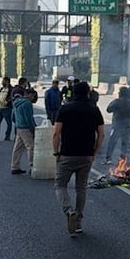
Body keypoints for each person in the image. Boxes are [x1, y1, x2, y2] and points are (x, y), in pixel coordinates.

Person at [52, 81, 104, 236]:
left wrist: (56, 153)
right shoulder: (94, 110)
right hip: (86, 154)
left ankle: (69, 211)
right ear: (88, 93)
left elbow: (56, 133)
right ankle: (78, 222)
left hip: (67, 154)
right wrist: (94, 152)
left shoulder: (65, 109)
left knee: (60, 185)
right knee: (81, 188)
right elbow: (101, 134)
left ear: (73, 93)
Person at [104, 86, 130, 163]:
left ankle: (108, 158)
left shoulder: (117, 101)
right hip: (127, 125)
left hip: (117, 125)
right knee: (125, 143)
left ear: (120, 93)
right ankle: (123, 159)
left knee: (112, 142)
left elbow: (108, 109)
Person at [9, 88, 38, 174]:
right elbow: (29, 118)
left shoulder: (17, 103)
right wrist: (33, 129)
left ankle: (15, 166)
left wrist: (17, 123)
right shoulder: (27, 104)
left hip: (19, 127)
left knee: (17, 148)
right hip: (26, 128)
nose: (33, 98)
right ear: (30, 95)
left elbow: (12, 117)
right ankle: (32, 166)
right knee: (31, 147)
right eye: (33, 96)